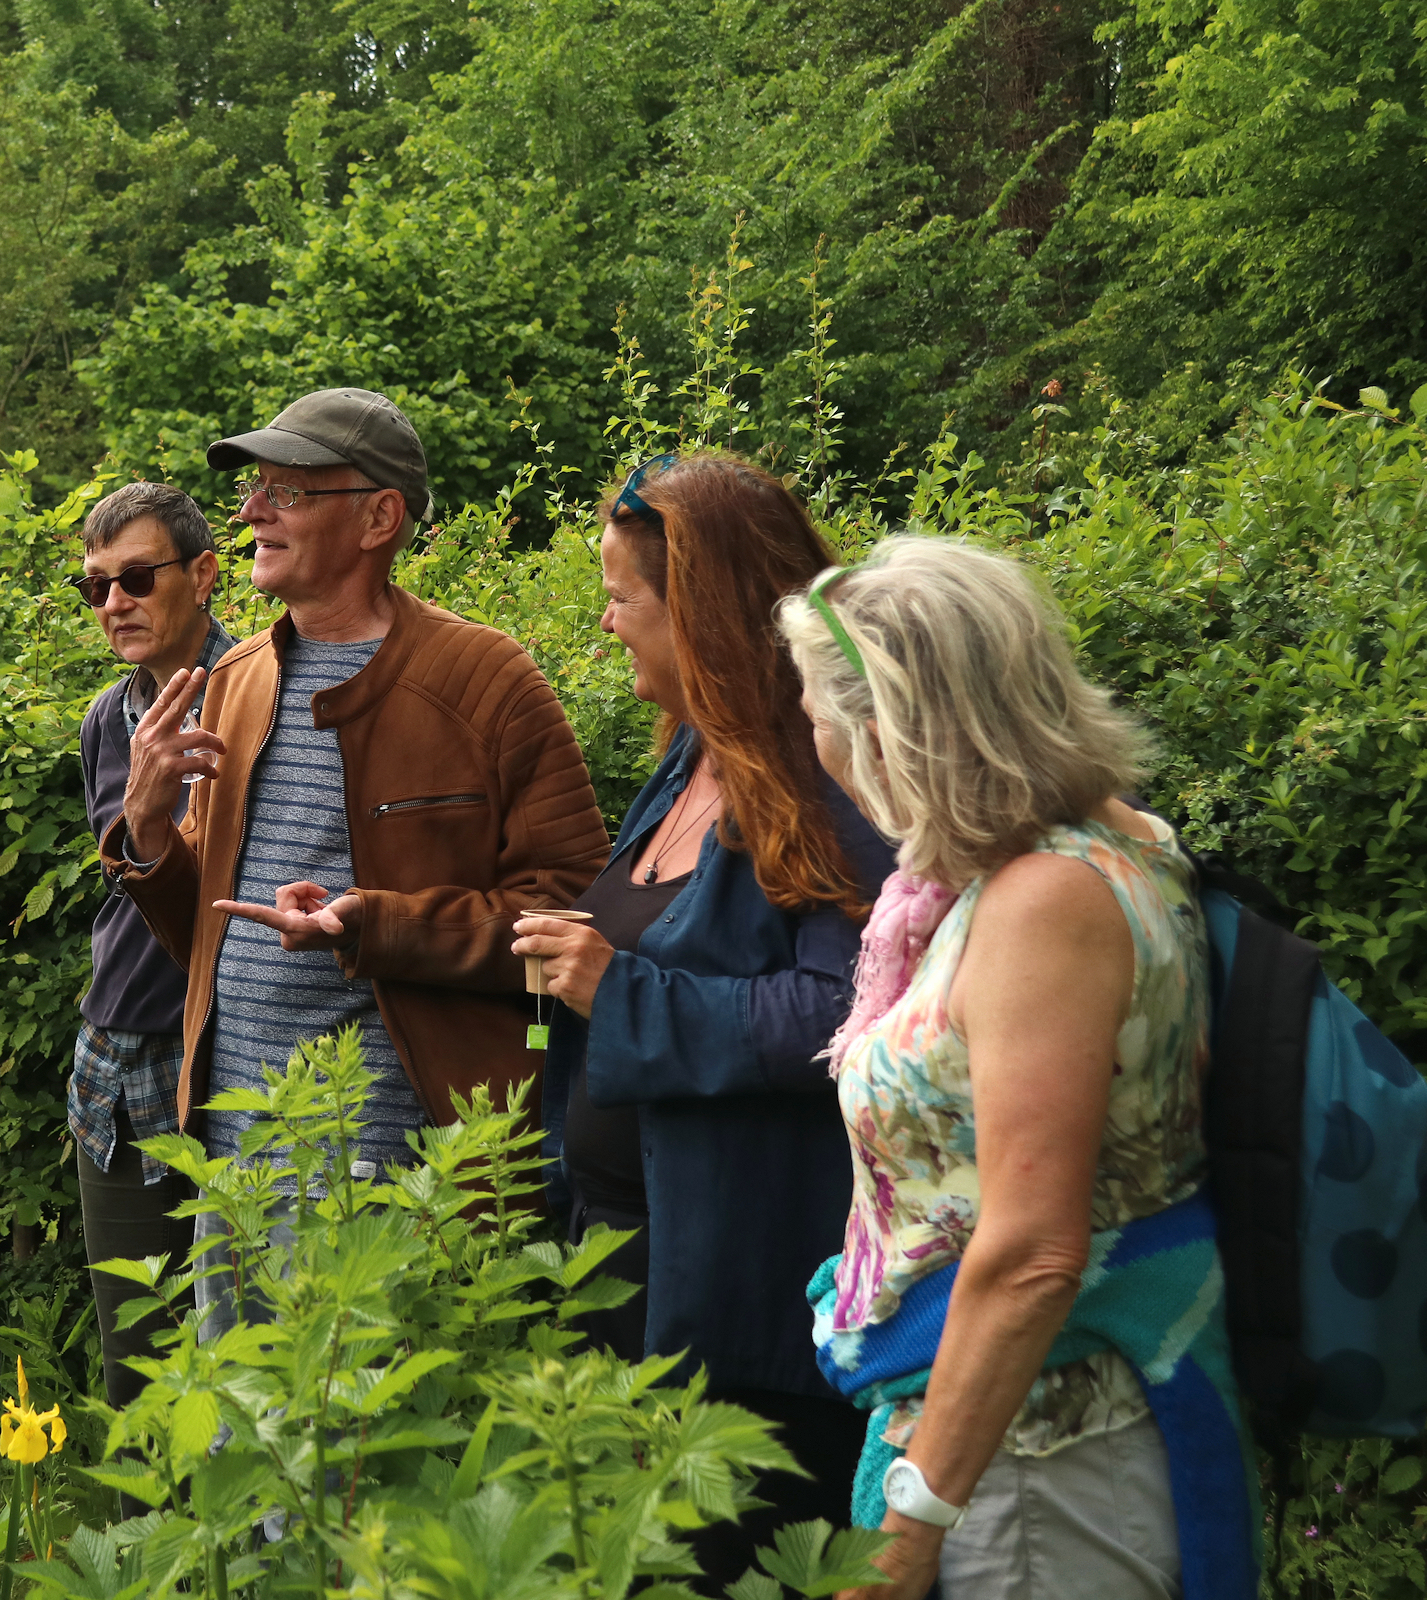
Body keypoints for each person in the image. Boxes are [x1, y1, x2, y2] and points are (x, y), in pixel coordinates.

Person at [100, 387, 611, 1336]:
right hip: (231, 1146)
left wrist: (375, 924)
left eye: (286, 492)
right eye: (254, 490)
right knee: (249, 1451)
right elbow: (203, 937)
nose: (250, 513)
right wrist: (149, 834)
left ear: (380, 517)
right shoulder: (237, 679)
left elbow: (573, 910)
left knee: (362, 1462)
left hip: (395, 1158)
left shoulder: (485, 681)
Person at [781, 539, 1235, 1600]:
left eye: (816, 715)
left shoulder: (1047, 904)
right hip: (1016, 1450)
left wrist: (910, 1528)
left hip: (1039, 1470)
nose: (816, 747)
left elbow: (1032, 1251)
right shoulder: (1110, 846)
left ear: (889, 727)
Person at [509, 454, 895, 1589]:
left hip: (745, 1307)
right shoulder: (688, 761)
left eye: (622, 594)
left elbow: (849, 1008)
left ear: (702, 611)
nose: (606, 619)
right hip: (628, 1266)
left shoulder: (823, 779)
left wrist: (618, 991)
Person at [68, 480, 233, 1406]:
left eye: (135, 578)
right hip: (115, 1058)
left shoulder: (260, 686)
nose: (115, 604)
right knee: (137, 1362)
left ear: (204, 573)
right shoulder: (106, 717)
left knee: (239, 1360)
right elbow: (125, 884)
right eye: (95, 588)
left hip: (222, 1051)